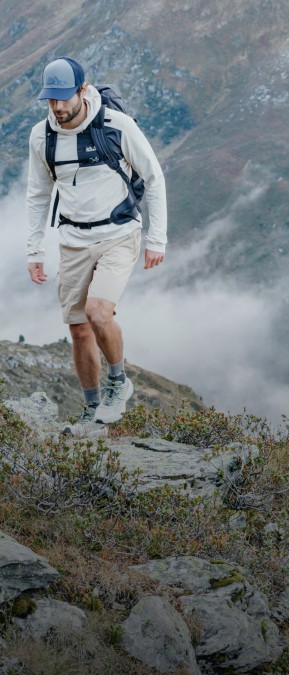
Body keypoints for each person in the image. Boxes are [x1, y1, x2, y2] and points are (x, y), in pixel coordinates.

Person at [26, 57, 167, 436]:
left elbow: (153, 178)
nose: (57, 107)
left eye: (64, 98)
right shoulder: (42, 136)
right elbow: (38, 193)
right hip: (72, 240)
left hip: (118, 233)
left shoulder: (117, 126)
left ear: (82, 91)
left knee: (98, 313)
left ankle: (119, 381)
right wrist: (34, 249)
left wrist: (157, 239)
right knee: (78, 329)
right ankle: (91, 411)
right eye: (50, 100)